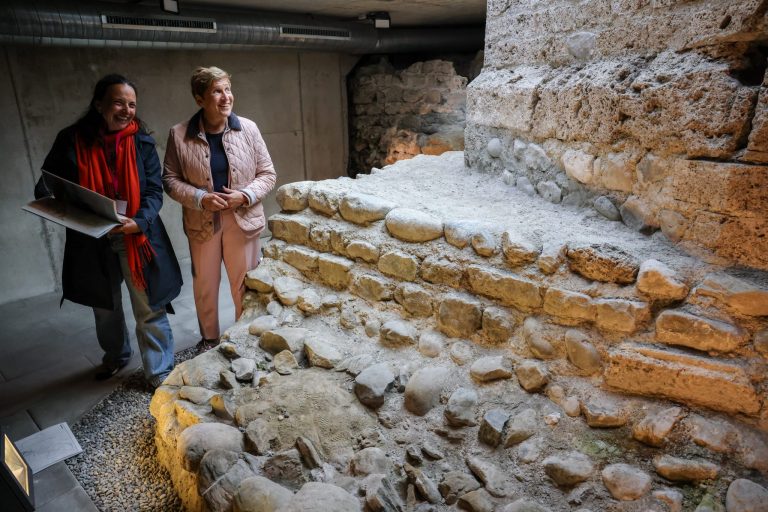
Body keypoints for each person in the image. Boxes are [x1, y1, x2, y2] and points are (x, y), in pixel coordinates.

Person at [36, 74, 182, 388]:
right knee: (105, 307)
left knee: (149, 306)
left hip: (136, 236)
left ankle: (159, 371)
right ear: (99, 104)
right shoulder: (71, 140)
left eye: (132, 104)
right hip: (93, 239)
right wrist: (53, 198)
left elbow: (154, 191)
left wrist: (139, 221)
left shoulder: (142, 142)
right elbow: (47, 183)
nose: (127, 110)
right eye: (119, 102)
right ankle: (116, 356)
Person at [163, 66, 276, 352]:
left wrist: (245, 195)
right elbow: (170, 179)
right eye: (217, 91)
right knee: (205, 284)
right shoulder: (178, 135)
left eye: (228, 89)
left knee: (245, 283)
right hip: (202, 221)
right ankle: (210, 339)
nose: (226, 97)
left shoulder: (248, 129)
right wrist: (200, 198)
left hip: (243, 218)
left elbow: (267, 174)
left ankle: (245, 337)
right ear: (199, 99)